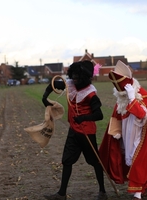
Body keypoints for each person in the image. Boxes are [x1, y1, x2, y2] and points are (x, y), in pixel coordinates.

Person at [99, 60, 147, 200]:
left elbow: (141, 114)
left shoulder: (141, 95)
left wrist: (132, 98)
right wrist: (116, 131)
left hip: (139, 133)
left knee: (138, 160)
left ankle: (138, 194)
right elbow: (117, 115)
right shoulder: (122, 97)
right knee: (131, 159)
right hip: (126, 134)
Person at [42, 60, 108, 200]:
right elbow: (53, 84)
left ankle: (102, 191)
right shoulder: (70, 84)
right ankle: (61, 194)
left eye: (78, 76)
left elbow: (99, 115)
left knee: (95, 162)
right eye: (74, 75)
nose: (75, 79)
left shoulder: (91, 94)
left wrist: (83, 118)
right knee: (67, 161)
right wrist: (45, 98)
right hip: (73, 131)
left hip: (87, 133)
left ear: (85, 76)